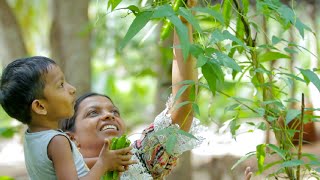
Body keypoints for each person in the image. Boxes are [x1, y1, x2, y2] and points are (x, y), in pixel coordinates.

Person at [60, 0, 204, 179]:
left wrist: (182, 20)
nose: (109, 115)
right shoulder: (58, 173)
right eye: (93, 113)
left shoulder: (140, 160)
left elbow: (182, 108)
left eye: (114, 111)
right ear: (72, 139)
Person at [0, 56, 135, 179]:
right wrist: (102, 164)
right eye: (61, 85)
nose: (72, 89)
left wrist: (104, 160)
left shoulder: (32, 137)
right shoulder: (58, 141)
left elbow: (69, 165)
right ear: (40, 107)